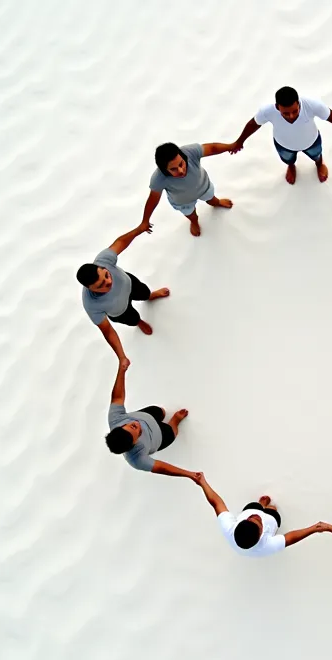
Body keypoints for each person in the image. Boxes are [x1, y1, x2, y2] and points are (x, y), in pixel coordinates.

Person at [229, 86, 332, 185]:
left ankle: (319, 165)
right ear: (277, 107)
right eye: (285, 113)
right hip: (283, 145)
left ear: (298, 103)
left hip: (311, 141)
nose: (291, 116)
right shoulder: (267, 111)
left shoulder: (312, 105)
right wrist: (239, 141)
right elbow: (253, 124)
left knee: (317, 156)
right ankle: (291, 167)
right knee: (288, 159)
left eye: (295, 111)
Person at [77, 222, 170, 365]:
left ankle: (150, 296)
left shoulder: (103, 260)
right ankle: (139, 322)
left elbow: (120, 242)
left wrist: (139, 229)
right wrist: (121, 357)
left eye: (106, 275)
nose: (108, 282)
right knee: (133, 319)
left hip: (130, 285)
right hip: (121, 311)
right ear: (90, 288)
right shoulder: (91, 305)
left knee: (144, 292)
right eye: (101, 285)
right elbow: (108, 332)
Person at [105, 358, 197, 479]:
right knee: (172, 431)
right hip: (160, 436)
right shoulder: (137, 459)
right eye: (136, 430)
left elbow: (117, 397)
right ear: (134, 443)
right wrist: (189, 474)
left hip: (148, 415)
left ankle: (162, 414)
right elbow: (161, 468)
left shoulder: (115, 419)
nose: (136, 424)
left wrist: (121, 370)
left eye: (129, 425)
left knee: (160, 411)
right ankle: (175, 421)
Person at [192, 474, 325, 557]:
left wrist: (203, 482)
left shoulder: (229, 528)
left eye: (251, 519)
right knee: (272, 509)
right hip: (271, 521)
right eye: (258, 522)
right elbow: (289, 538)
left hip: (249, 509)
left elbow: (216, 503)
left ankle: (260, 504)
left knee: (256, 506)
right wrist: (312, 529)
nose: (258, 517)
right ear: (261, 533)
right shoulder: (266, 547)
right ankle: (268, 508)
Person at [142, 142, 236, 237]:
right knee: (192, 215)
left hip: (203, 187)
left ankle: (217, 203)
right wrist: (145, 221)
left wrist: (230, 146)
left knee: (212, 199)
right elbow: (153, 200)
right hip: (183, 202)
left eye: (181, 164)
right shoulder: (158, 179)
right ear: (165, 171)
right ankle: (194, 222)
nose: (181, 171)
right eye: (173, 169)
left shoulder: (190, 152)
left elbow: (212, 148)